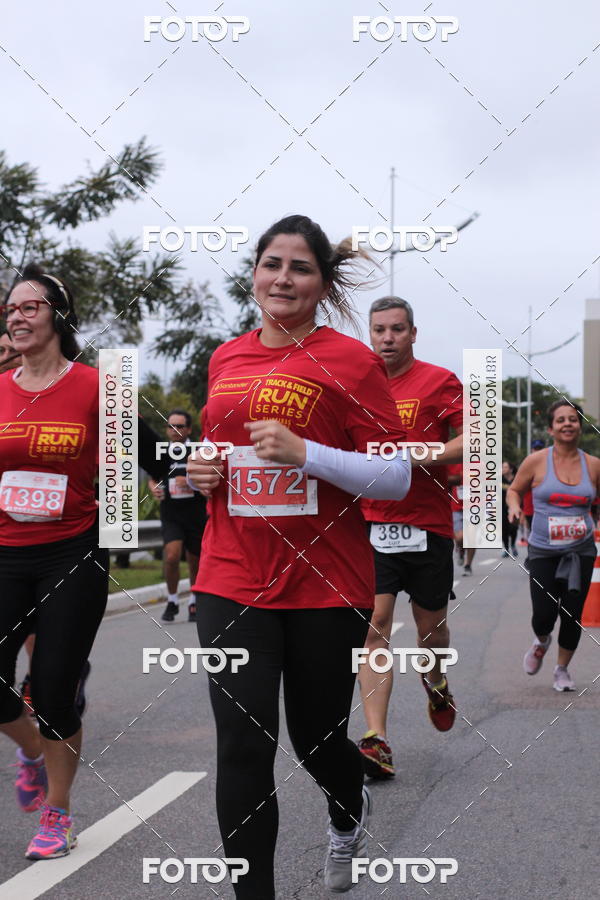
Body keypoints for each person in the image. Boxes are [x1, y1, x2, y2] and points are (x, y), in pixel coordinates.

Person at [186, 215, 463, 897]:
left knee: (316, 739)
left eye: (300, 267)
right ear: (253, 273)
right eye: (271, 263)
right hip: (232, 575)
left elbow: (394, 476)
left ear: (321, 282)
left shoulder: (350, 360)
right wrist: (200, 470)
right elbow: (220, 451)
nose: (283, 278)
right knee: (244, 745)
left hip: (324, 580)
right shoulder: (225, 357)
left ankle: (347, 808)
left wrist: (307, 453)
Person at [0, 264, 109, 859]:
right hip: (4, 553)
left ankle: (57, 814)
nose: (16, 316)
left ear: (58, 317)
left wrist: (194, 470)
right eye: (10, 309)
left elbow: (151, 457)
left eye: (29, 307)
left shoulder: (98, 386)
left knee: (54, 688)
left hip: (72, 552)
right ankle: (34, 751)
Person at [357, 297, 463, 781]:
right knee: (375, 623)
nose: (387, 338)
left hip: (427, 524)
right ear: (370, 333)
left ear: (413, 334)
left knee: (431, 633)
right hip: (373, 523)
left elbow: (472, 438)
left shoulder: (439, 381)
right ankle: (376, 739)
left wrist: (417, 455)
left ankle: (436, 679)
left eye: (397, 329)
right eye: (379, 330)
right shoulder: (354, 385)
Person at [507, 401, 600, 691]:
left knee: (572, 612)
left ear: (579, 426)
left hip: (580, 549)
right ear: (551, 428)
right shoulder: (535, 462)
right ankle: (542, 640)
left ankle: (562, 670)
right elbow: (514, 490)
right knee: (544, 613)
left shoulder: (594, 465)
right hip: (544, 550)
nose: (567, 424)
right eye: (561, 420)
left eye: (573, 419)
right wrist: (513, 507)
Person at [148, 409, 207, 623]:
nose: (174, 430)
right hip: (171, 513)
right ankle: (172, 600)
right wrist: (153, 487)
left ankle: (194, 600)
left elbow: (212, 478)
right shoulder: (161, 451)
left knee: (195, 560)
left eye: (179, 426)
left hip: (196, 513)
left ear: (189, 429)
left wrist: (193, 482)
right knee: (172, 556)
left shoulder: (199, 450)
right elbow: (153, 478)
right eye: (170, 426)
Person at [501, 461, 518, 557]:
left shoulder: (516, 479)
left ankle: (513, 544)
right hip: (502, 507)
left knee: (514, 527)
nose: (503, 469)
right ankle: (506, 548)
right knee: (504, 528)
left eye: (505, 467)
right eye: (502, 467)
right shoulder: (499, 479)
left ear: (511, 469)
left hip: (514, 506)